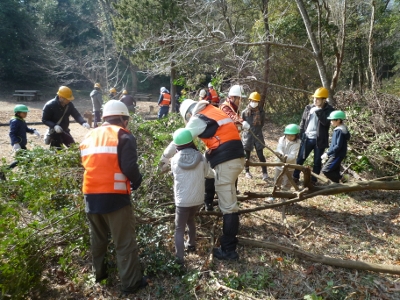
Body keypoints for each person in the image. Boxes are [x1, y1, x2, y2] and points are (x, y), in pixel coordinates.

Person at [161, 97, 245, 261]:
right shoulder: (213, 110)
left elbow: (181, 138)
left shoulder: (199, 117)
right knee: (230, 202)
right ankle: (231, 240)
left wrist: (164, 158)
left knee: (228, 207)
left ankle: (229, 250)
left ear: (189, 114)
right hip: (235, 157)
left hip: (227, 161)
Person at [79, 100, 146, 296]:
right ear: (123, 119)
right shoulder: (123, 135)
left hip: (90, 194)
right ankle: (131, 284)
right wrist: (137, 181)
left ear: (105, 118)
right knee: (124, 242)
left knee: (98, 239)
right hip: (115, 197)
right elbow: (129, 167)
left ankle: (99, 276)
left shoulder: (89, 136)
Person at [170, 128, 213, 268]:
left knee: (179, 228)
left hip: (182, 201)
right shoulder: (201, 157)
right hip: (198, 199)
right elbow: (208, 173)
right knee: (191, 219)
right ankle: (192, 244)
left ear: (177, 145)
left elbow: (174, 174)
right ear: (191, 142)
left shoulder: (175, 159)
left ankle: (180, 260)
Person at [292, 87, 334, 185]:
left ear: (324, 100)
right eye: (314, 98)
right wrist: (300, 134)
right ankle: (295, 176)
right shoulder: (308, 107)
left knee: (317, 162)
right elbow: (302, 122)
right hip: (307, 138)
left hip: (320, 140)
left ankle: (313, 181)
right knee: (300, 159)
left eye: (318, 98)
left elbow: (326, 122)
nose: (315, 100)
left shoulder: (329, 109)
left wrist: (318, 111)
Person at [267, 124, 301, 202]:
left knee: (287, 182)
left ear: (296, 135)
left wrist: (285, 157)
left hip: (290, 165)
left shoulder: (297, 143)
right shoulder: (282, 139)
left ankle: (284, 197)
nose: (290, 137)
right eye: (288, 135)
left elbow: (293, 155)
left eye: (292, 136)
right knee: (277, 181)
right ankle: (274, 195)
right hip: (279, 164)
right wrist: (280, 154)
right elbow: (279, 148)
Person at [241, 92, 268, 181]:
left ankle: (264, 173)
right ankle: (247, 172)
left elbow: (262, 124)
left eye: (256, 101)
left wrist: (256, 130)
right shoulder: (244, 112)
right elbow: (241, 124)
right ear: (250, 100)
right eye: (253, 100)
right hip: (247, 136)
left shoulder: (261, 112)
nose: (254, 102)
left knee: (261, 155)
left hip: (258, 135)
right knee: (247, 156)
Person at [321, 110, 351, 183]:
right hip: (335, 154)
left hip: (337, 155)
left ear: (338, 120)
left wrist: (327, 153)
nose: (331, 122)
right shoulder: (340, 129)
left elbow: (338, 145)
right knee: (334, 170)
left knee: (326, 170)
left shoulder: (340, 131)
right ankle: (337, 186)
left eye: (332, 120)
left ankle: (344, 178)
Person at [9, 104, 41, 168]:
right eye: (24, 113)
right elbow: (12, 133)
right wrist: (15, 143)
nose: (25, 114)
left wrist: (33, 131)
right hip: (18, 144)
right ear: (18, 113)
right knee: (22, 159)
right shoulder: (15, 121)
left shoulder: (21, 120)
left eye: (26, 112)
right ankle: (6, 170)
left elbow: (25, 129)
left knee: (27, 159)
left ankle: (27, 172)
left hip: (22, 143)